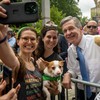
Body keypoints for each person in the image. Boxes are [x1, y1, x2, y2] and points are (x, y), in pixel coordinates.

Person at [13, 27, 59, 100]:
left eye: (32, 39)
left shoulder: (36, 63)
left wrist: (55, 90)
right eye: (25, 38)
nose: (29, 42)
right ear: (18, 41)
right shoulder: (15, 62)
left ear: (37, 42)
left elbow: (49, 90)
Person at [60, 16, 100, 100]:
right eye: (65, 31)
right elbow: (73, 69)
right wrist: (68, 74)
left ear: (80, 29)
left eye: (71, 28)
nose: (68, 33)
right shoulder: (70, 50)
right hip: (81, 92)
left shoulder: (96, 42)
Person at [35, 21, 65, 100]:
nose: (51, 40)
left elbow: (59, 88)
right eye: (48, 37)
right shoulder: (33, 55)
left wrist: (56, 90)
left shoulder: (58, 60)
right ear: (42, 38)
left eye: (54, 37)